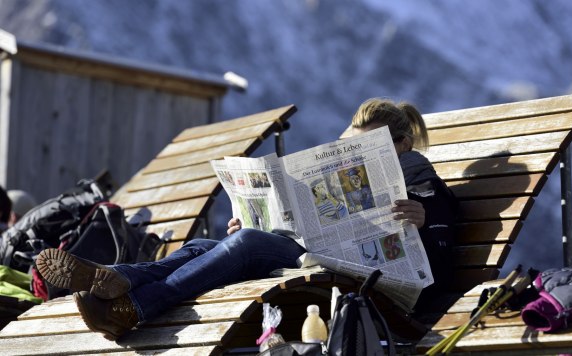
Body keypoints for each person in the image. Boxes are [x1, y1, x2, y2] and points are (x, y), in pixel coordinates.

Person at [35, 97, 457, 340]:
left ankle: (132, 305)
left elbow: (439, 262)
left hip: (369, 282)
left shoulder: (429, 191)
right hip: (316, 254)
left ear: (402, 145)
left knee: (245, 245)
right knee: (208, 245)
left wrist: (421, 224)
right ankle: (118, 280)